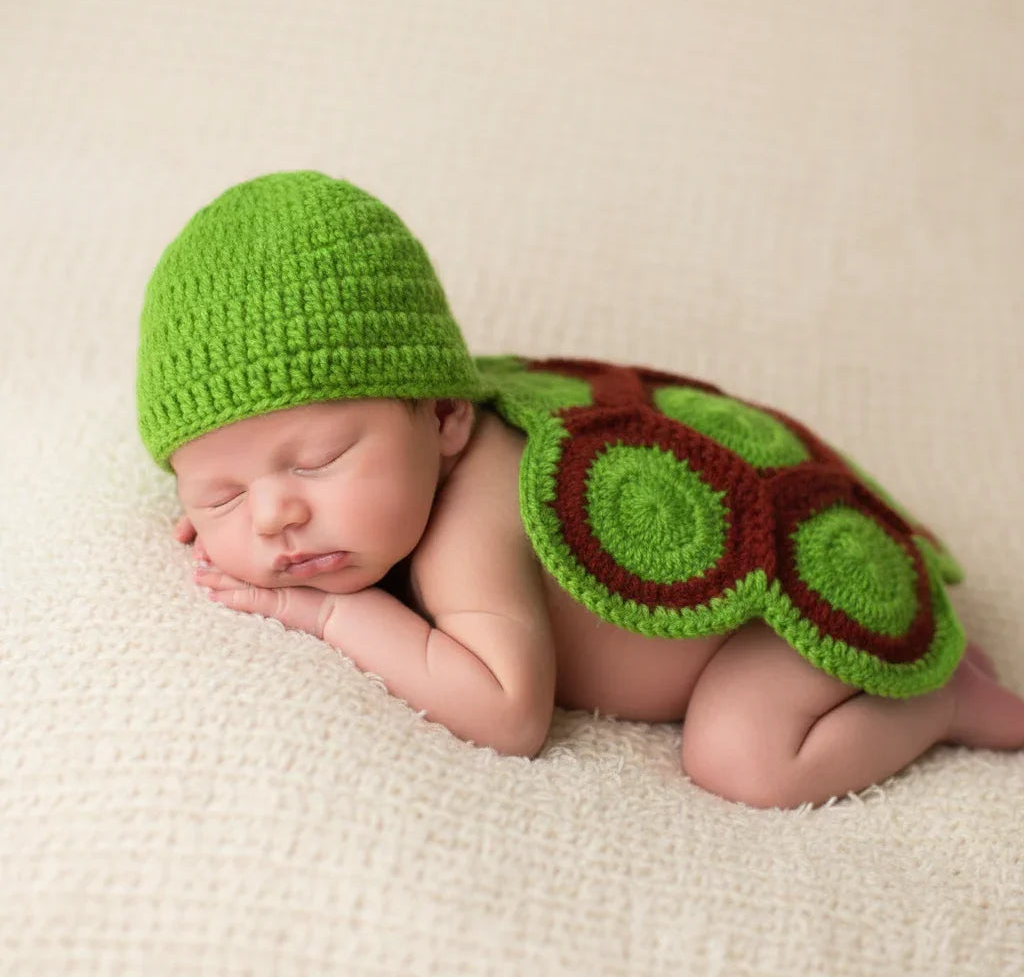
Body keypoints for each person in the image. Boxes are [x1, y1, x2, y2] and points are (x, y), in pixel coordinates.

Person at [137, 170, 1024, 809]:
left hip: (783, 612)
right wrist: (227, 521)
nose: (275, 515)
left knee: (742, 758)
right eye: (220, 494)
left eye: (318, 460)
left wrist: (327, 613)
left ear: (445, 416)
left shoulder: (472, 523)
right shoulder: (391, 452)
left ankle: (938, 699)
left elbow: (507, 712)